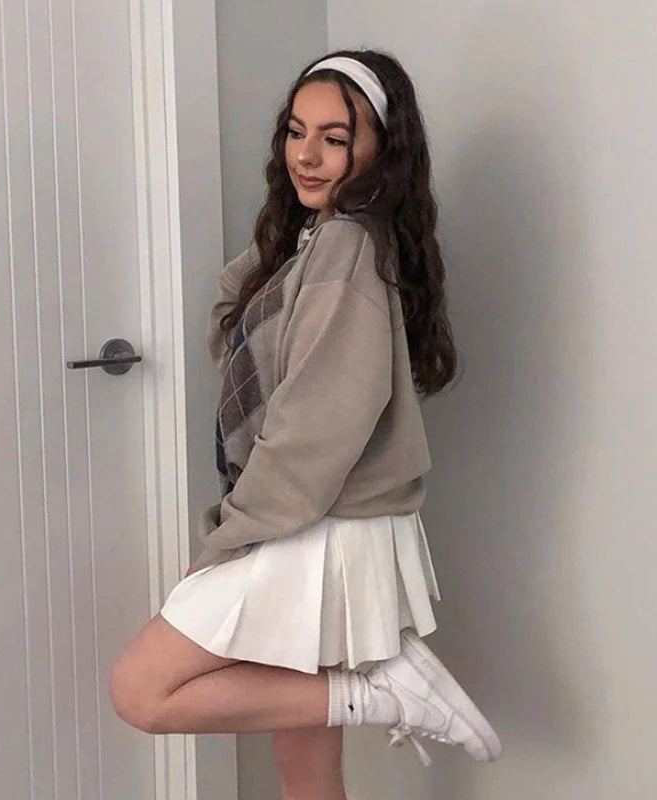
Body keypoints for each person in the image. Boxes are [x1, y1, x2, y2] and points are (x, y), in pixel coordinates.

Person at [109, 48, 502, 799]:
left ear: (382, 149)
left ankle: (379, 693)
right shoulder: (323, 240)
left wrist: (229, 538)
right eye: (296, 132)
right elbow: (235, 329)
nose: (306, 155)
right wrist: (292, 230)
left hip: (313, 525)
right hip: (321, 521)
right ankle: (370, 694)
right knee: (306, 773)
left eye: (335, 137)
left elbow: (313, 429)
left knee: (143, 690)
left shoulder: (345, 246)